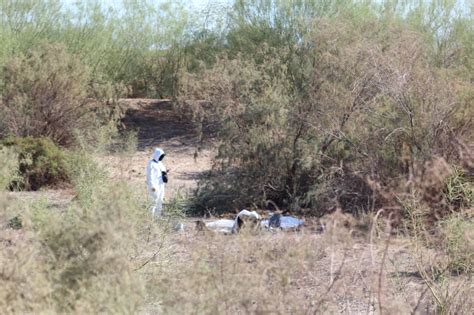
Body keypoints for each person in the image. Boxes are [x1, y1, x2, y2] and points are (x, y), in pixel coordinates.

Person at [146, 148, 168, 216]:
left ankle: (157, 217)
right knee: (153, 202)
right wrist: (152, 186)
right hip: (154, 186)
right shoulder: (151, 164)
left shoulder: (160, 163)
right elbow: (150, 175)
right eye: (161, 156)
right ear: (157, 155)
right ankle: (151, 218)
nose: (162, 157)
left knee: (160, 201)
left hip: (161, 185)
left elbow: (162, 172)